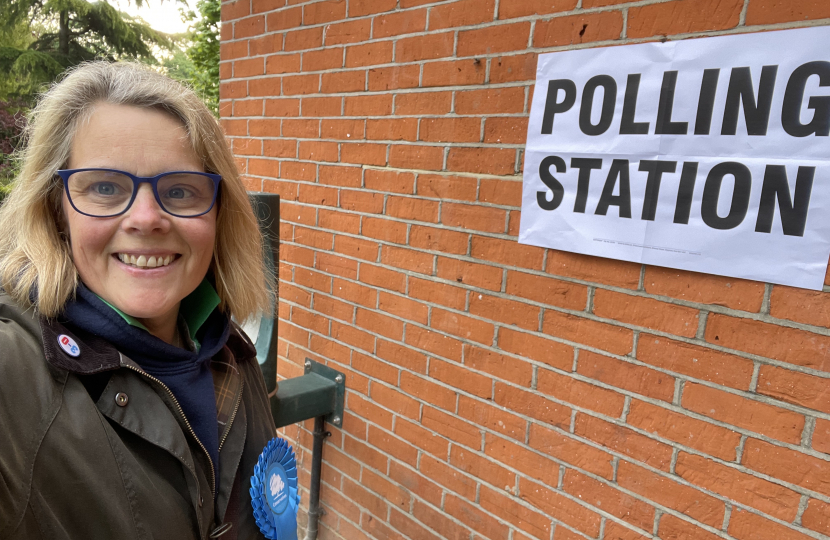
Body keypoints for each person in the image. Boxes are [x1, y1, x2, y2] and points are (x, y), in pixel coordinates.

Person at [0, 61, 278, 539]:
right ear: (56, 209)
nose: (146, 218)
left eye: (179, 190)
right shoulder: (13, 370)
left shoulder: (227, 347)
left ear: (217, 212)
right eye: (105, 187)